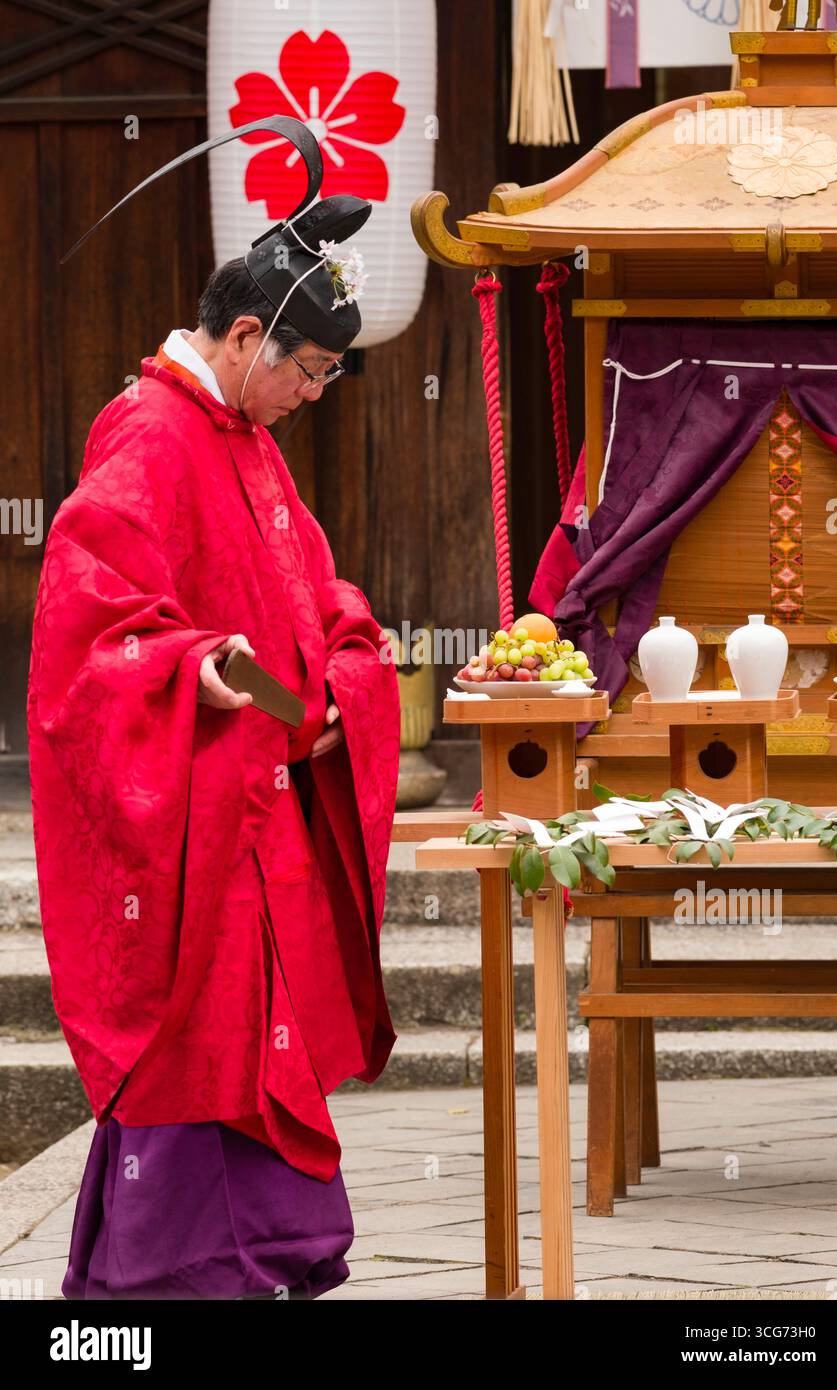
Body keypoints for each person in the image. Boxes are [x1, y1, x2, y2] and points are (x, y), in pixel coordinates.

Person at [26, 120, 401, 1300]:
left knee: (256, 1045)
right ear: (247, 336)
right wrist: (200, 667)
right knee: (204, 1045)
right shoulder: (149, 431)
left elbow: (311, 581)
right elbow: (92, 632)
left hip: (261, 799)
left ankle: (253, 1269)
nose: (309, 394)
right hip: (199, 813)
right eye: (306, 369)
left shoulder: (240, 435)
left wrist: (342, 668)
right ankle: (166, 1287)